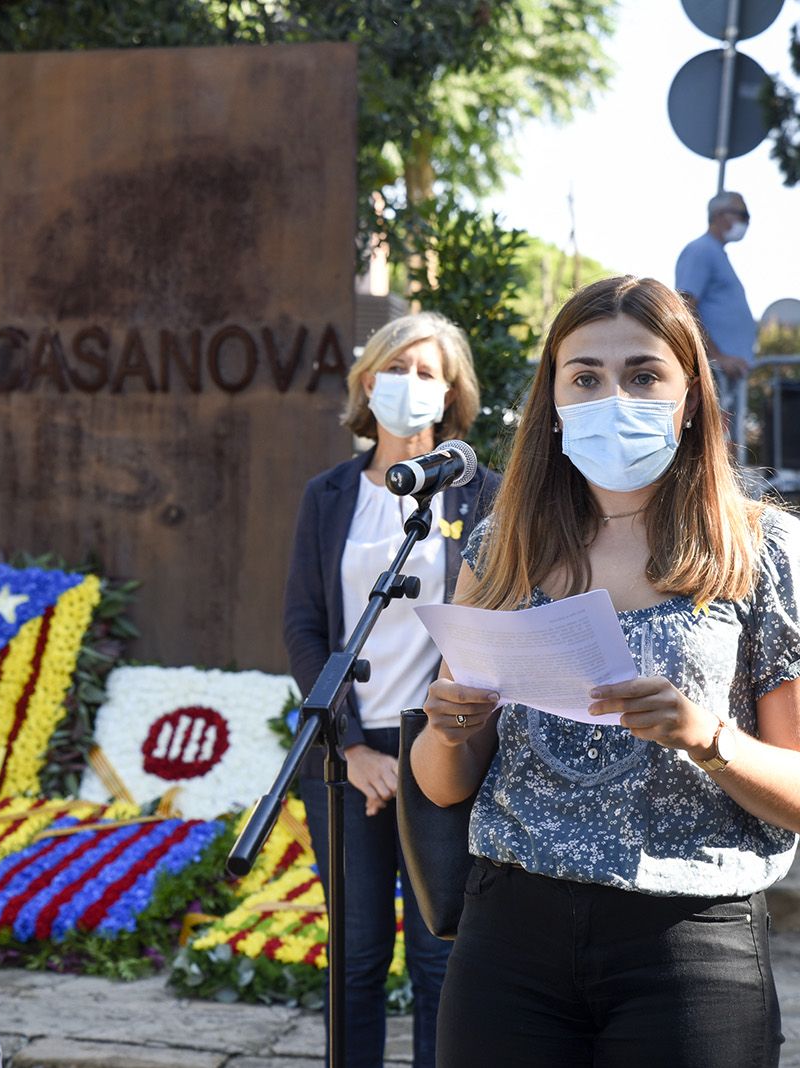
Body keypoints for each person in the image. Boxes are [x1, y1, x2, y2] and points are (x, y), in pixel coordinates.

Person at [412, 275, 800, 1068]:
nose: (614, 396)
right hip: (509, 935)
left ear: (689, 397)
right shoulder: (505, 546)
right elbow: (443, 784)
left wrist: (706, 736)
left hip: (689, 946)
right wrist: (449, 729)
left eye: (643, 375)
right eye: (586, 377)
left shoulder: (766, 552)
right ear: (555, 401)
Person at [283, 312, 501, 1068]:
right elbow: (304, 628)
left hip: (441, 753)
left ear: (450, 395)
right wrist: (349, 746)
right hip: (345, 761)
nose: (409, 383)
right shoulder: (329, 494)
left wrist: (425, 748)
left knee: (440, 959)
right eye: (394, 367)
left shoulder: (484, 499)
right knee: (356, 956)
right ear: (366, 382)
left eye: (427, 371)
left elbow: (493, 632)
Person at [676, 190, 757, 441]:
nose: (746, 221)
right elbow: (685, 307)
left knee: (726, 440)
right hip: (715, 370)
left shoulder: (715, 253)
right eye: (742, 214)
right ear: (720, 215)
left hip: (726, 373)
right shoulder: (701, 251)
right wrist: (717, 356)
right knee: (713, 441)